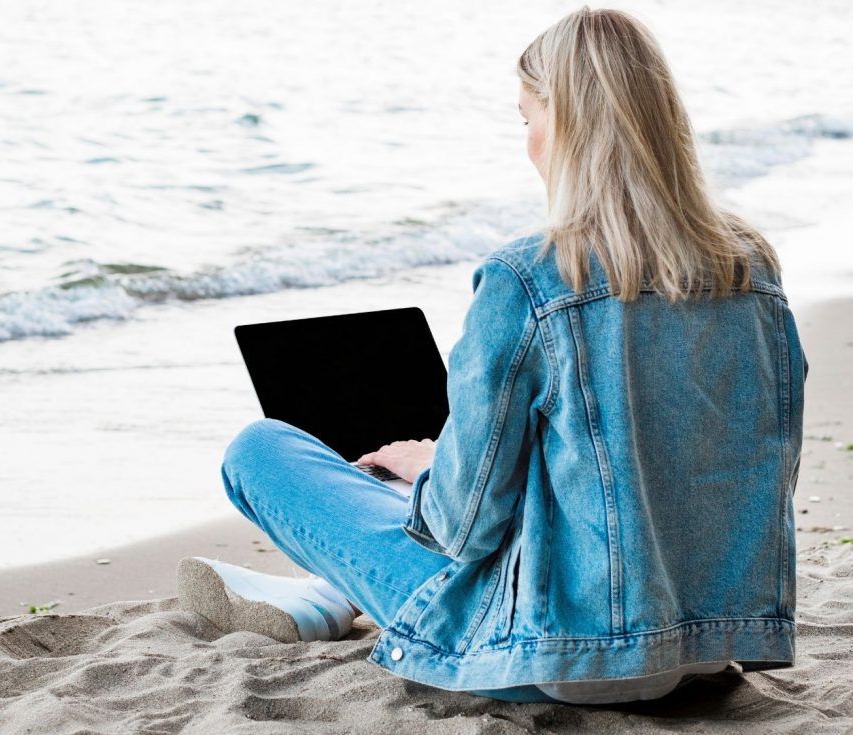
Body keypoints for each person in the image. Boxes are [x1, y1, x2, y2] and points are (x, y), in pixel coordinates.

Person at [177, 5, 808, 704]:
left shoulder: (530, 277)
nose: (529, 141)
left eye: (527, 118)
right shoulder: (751, 266)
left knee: (260, 449)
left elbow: (464, 525)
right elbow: (749, 462)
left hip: (570, 656)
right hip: (717, 642)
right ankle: (328, 593)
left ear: (565, 125)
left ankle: (332, 593)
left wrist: (427, 469)